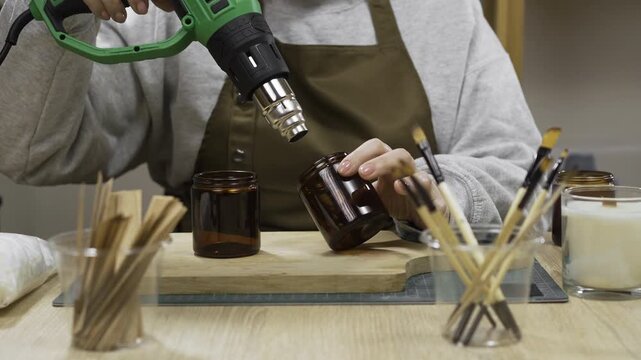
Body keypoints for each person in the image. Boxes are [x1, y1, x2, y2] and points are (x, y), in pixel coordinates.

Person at [0, 0, 541, 232]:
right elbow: (29, 155)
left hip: (402, 301)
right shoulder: (166, 15)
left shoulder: (440, 12)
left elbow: (525, 180)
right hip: (209, 303)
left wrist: (432, 195)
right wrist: (64, 19)